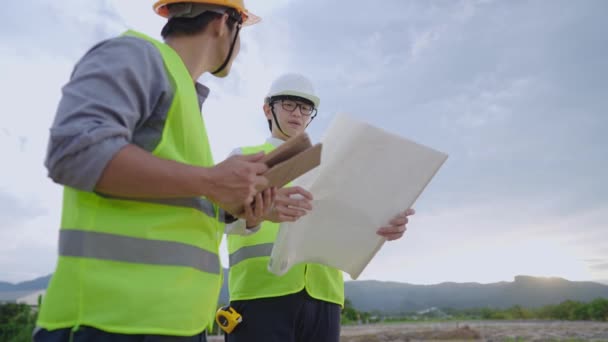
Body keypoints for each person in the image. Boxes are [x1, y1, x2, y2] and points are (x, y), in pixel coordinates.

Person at [34, 1, 303, 341]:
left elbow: (180, 203)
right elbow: (73, 151)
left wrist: (245, 209)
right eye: (241, 30)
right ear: (223, 23)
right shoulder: (136, 55)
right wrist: (210, 180)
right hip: (108, 323)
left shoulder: (187, 98)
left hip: (180, 324)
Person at [224, 73, 416, 342]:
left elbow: (348, 225)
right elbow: (222, 219)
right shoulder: (244, 157)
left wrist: (384, 225)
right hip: (260, 295)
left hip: (324, 297)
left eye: (305, 107)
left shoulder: (332, 167)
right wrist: (259, 211)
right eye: (289, 104)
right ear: (268, 109)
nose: (298, 113)